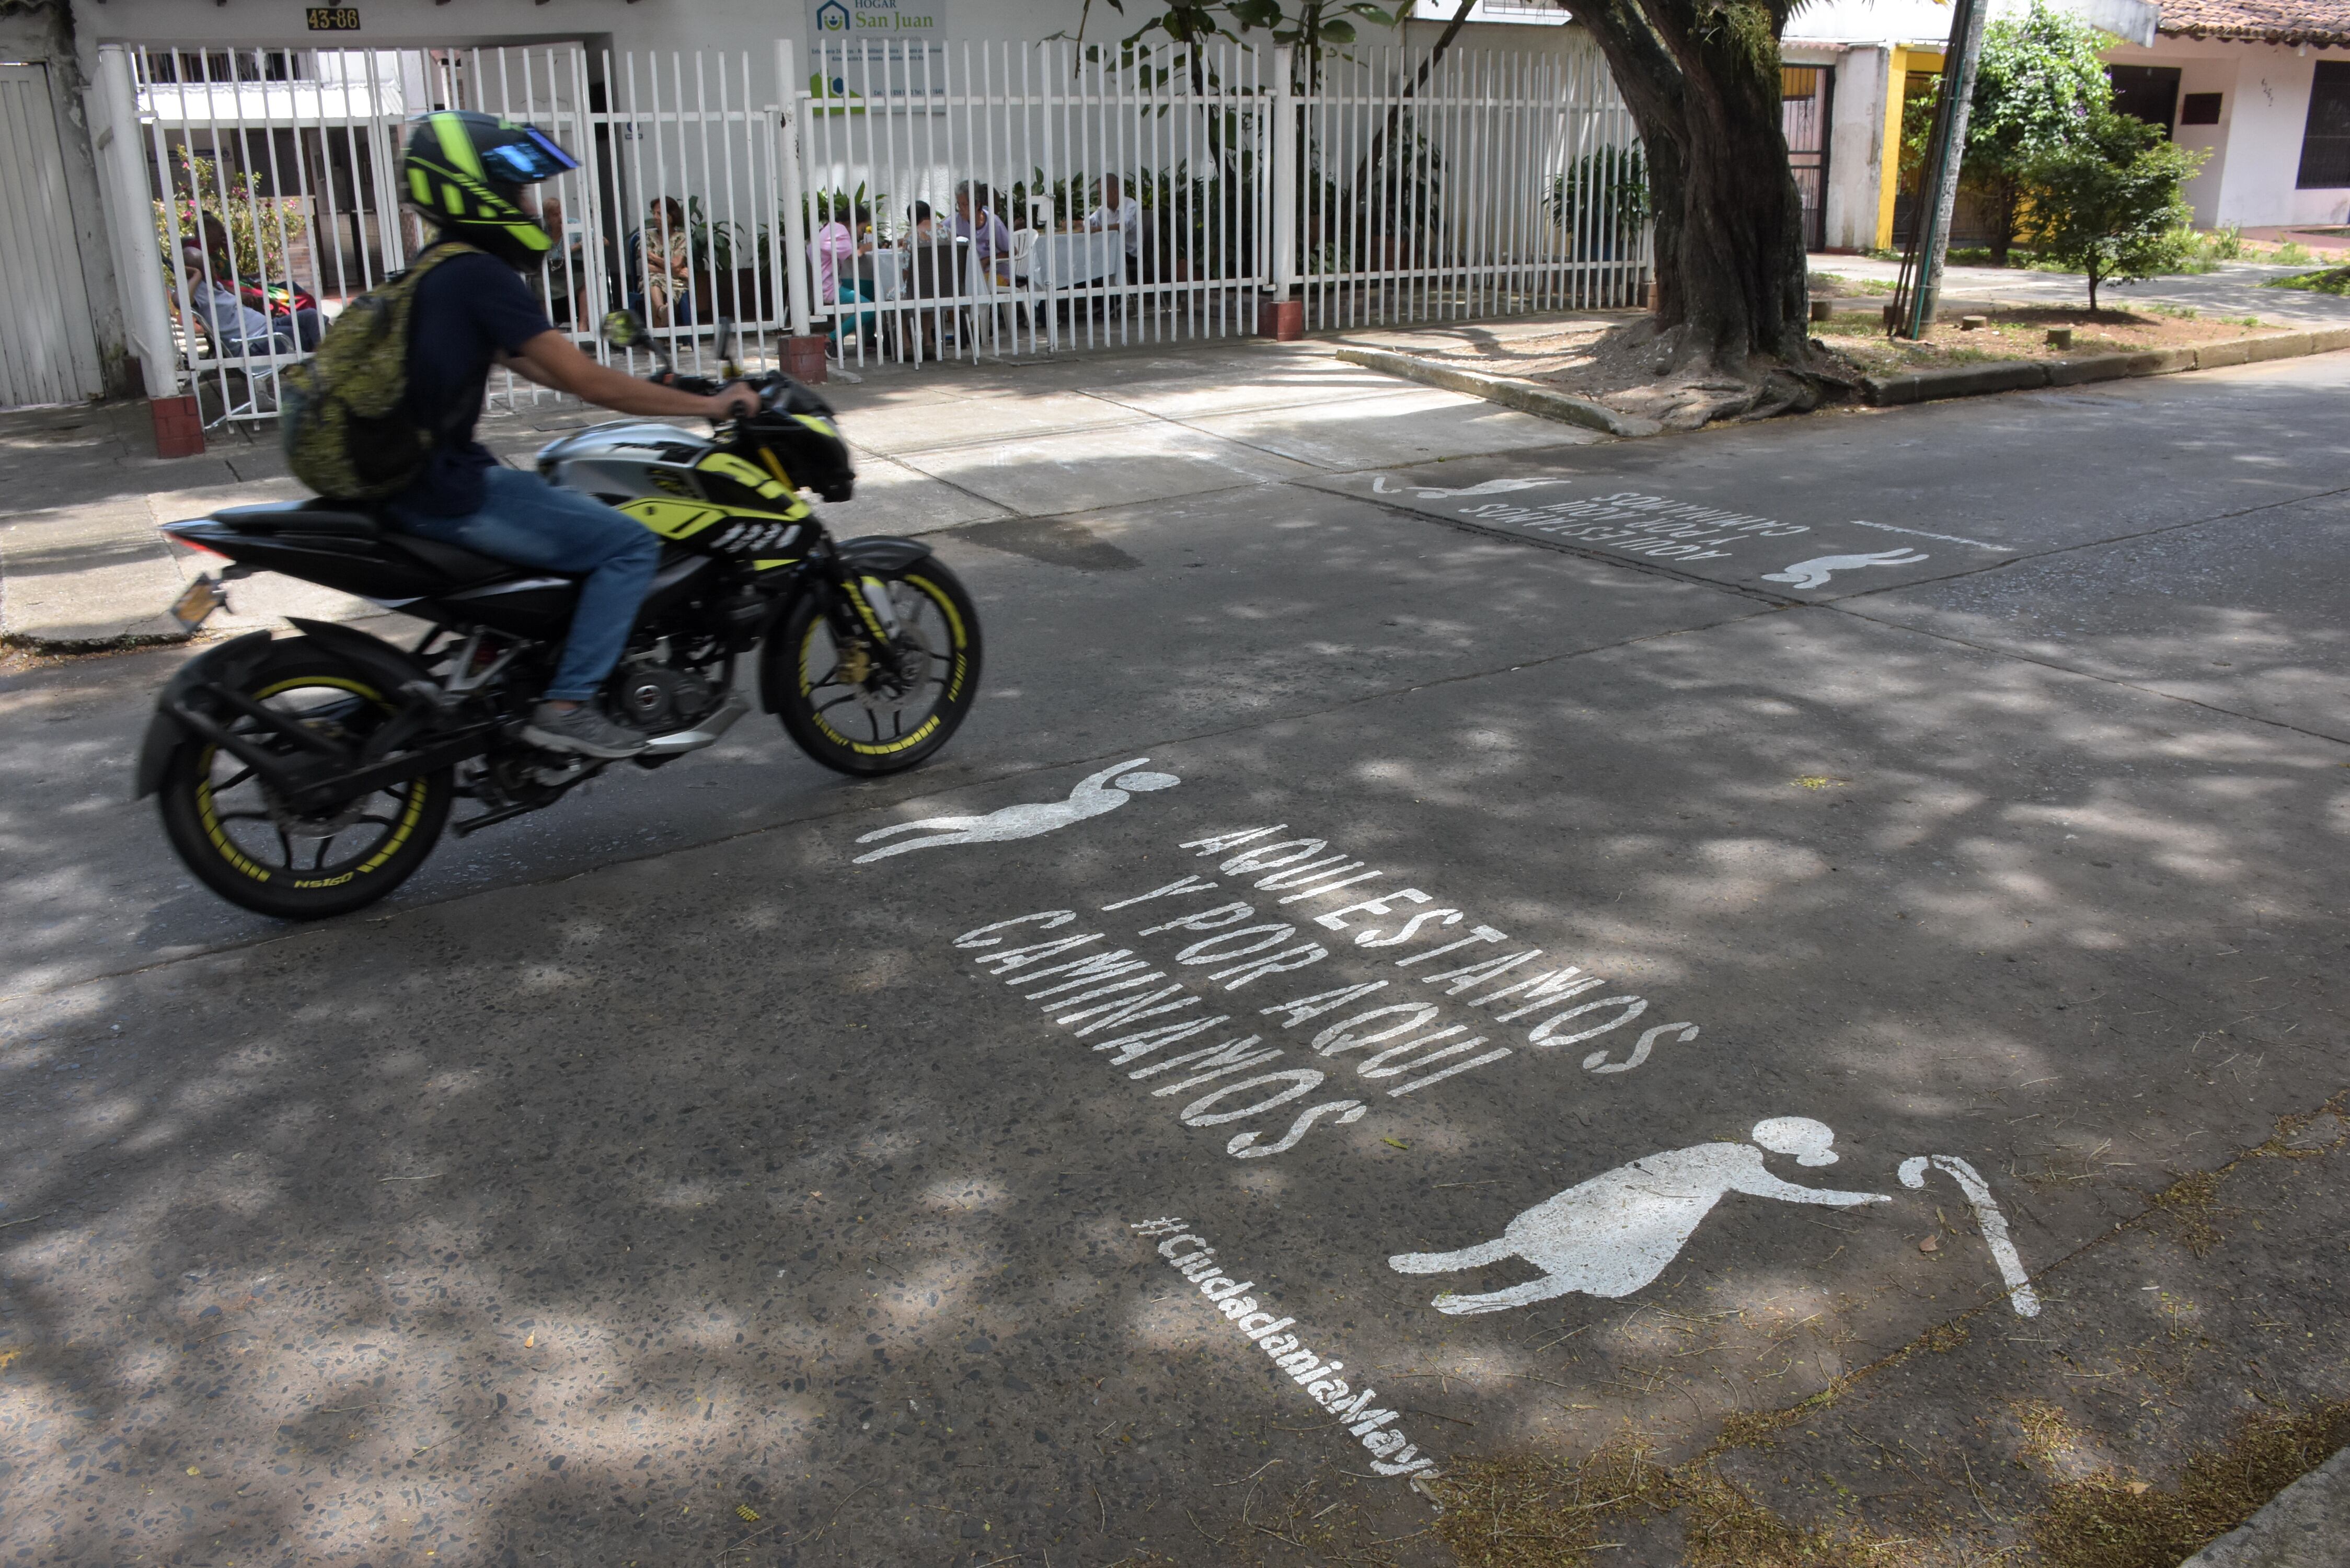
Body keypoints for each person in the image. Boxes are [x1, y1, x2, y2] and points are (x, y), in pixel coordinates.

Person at [387, 110, 757, 759]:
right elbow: (589, 383)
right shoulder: (477, 274)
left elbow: (535, 362)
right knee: (626, 545)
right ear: (481, 192)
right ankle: (568, 702)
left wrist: (680, 388)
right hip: (444, 489)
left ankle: (531, 672)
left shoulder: (439, 268)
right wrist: (715, 406)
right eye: (518, 191)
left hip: (417, 479)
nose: (530, 205)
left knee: (558, 498)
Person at [630, 196, 696, 328]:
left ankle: (659, 337)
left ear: (671, 216)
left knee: (655, 281)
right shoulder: (647, 237)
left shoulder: (681, 238)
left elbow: (676, 264)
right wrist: (676, 272)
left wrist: (652, 256)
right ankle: (662, 311)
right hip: (657, 278)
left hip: (675, 282)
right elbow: (647, 267)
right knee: (653, 280)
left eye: (660, 214)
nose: (655, 217)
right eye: (654, 213)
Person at [1083, 173, 1143, 283]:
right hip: (1111, 252)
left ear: (1115, 192)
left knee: (1097, 259)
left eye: (1101, 193)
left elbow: (1121, 227)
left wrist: (1096, 229)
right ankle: (1101, 295)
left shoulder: (1131, 205)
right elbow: (1088, 223)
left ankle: (1109, 296)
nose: (1099, 198)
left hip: (1129, 253)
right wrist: (1075, 225)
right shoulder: (1104, 209)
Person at [951, 181, 1012, 282]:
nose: (960, 209)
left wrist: (988, 260)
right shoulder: (956, 221)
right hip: (969, 275)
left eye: (964, 205)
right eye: (959, 204)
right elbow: (940, 230)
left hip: (996, 274)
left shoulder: (994, 222)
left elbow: (1011, 252)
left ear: (977, 205)